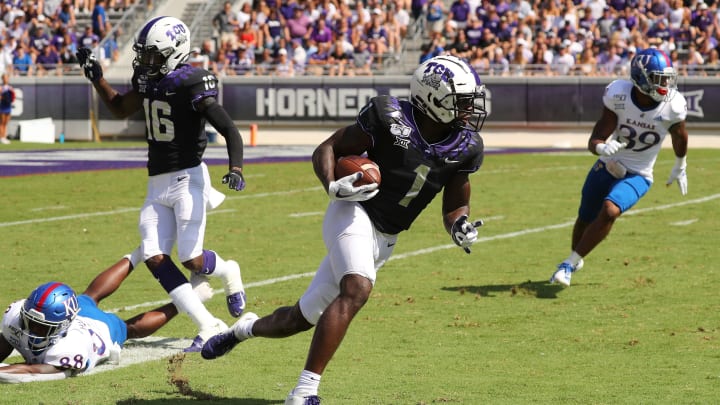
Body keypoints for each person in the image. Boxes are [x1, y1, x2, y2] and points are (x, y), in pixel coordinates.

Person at [201, 55, 488, 405]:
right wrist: (332, 184)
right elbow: (329, 148)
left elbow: (455, 200)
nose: (469, 110)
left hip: (386, 238)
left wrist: (458, 223)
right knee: (357, 288)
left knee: (299, 319)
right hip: (353, 212)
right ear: (433, 98)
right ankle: (304, 391)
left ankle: (242, 329)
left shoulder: (466, 145)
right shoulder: (389, 116)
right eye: (461, 102)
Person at [75, 16, 248, 352]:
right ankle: (208, 325)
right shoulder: (146, 77)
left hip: (188, 178)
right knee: (154, 256)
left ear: (175, 52)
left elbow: (228, 128)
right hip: (156, 180)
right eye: (145, 54)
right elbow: (120, 108)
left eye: (153, 55)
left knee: (192, 260)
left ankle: (229, 272)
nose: (145, 61)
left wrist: (236, 168)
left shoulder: (192, 81)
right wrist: (98, 79)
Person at [550, 48, 689, 287]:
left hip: (639, 173)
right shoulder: (619, 94)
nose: (666, 85)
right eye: (659, 79)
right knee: (584, 218)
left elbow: (680, 136)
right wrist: (602, 148)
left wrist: (680, 164)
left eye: (667, 78)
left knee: (610, 210)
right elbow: (596, 138)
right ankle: (576, 255)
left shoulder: (673, 105)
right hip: (608, 165)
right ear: (641, 78)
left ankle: (568, 264)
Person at [0, 250, 186, 383]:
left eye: (41, 327)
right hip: (74, 312)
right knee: (89, 296)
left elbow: (32, 370)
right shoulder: (16, 316)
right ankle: (140, 252)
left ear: (62, 326)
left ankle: (185, 301)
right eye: (29, 321)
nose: (32, 329)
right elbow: (6, 341)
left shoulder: (70, 347)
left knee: (128, 328)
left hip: (97, 329)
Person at [0, 73, 14, 144]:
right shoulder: (1, 88)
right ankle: (1, 137)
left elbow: (13, 97)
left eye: (7, 78)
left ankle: (4, 136)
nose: (6, 79)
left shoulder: (10, 87)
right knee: (2, 123)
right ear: (3, 79)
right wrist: (3, 97)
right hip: (2, 106)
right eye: (5, 78)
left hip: (8, 106)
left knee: (6, 122)